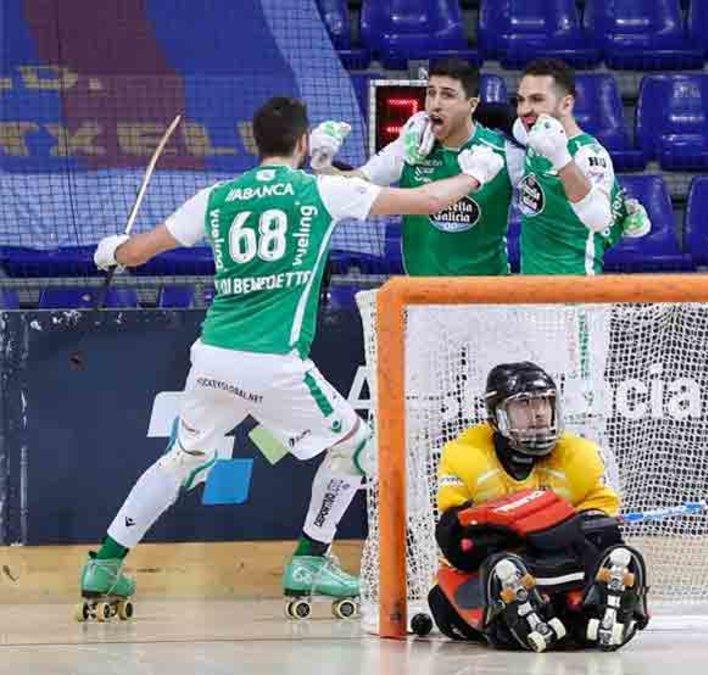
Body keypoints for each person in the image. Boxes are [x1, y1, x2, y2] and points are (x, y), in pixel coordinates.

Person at [77, 96, 504, 622]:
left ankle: (105, 564)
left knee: (183, 459)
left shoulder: (217, 196)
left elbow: (140, 252)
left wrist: (111, 250)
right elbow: (429, 200)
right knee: (359, 446)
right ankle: (309, 561)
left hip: (212, 357)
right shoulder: (321, 191)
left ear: (255, 143)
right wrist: (476, 176)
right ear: (304, 143)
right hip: (274, 363)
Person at [428, 362, 649, 651]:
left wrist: (570, 527)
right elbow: (456, 545)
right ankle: (552, 622)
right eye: (525, 405)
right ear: (497, 416)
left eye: (545, 403)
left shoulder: (581, 455)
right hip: (498, 562)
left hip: (562, 564)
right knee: (445, 603)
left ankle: (591, 618)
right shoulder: (465, 455)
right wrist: (515, 526)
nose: (539, 414)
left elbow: (604, 533)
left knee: (614, 555)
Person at [309, 58, 521, 276]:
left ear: (472, 104)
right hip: (421, 294)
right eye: (431, 93)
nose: (435, 103)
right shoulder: (409, 147)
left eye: (447, 95)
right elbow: (356, 183)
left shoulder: (503, 153)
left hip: (488, 294)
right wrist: (323, 165)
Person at [512, 58, 649, 275]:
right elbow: (507, 120)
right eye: (520, 100)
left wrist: (560, 158)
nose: (524, 110)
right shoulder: (529, 131)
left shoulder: (589, 154)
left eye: (537, 100)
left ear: (566, 104)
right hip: (531, 292)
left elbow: (599, 219)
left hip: (576, 294)